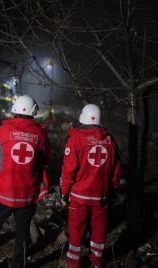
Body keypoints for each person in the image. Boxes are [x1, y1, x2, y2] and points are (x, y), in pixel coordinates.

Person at [0, 95, 52, 268]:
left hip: (1, 191)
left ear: (14, 111)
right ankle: (18, 264)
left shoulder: (2, 131)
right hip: (27, 194)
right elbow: (48, 157)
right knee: (23, 230)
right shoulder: (40, 134)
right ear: (33, 112)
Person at [60, 104, 121, 268]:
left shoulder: (76, 139)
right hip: (101, 196)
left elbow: (68, 171)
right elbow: (116, 171)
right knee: (99, 228)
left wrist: (64, 193)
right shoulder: (110, 139)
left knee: (76, 229)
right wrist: (111, 190)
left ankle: (74, 262)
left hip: (79, 197)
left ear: (83, 119)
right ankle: (97, 261)